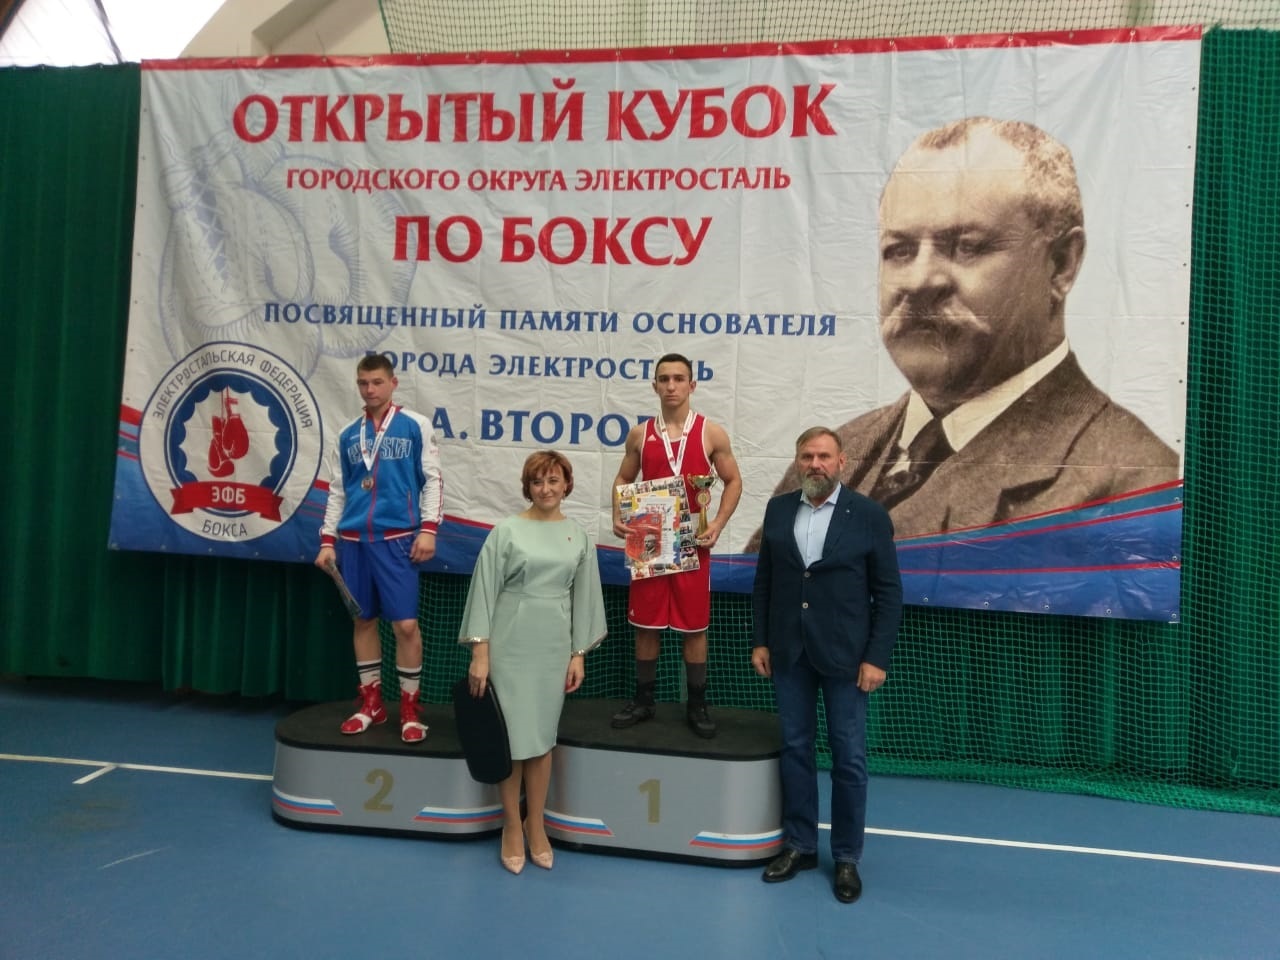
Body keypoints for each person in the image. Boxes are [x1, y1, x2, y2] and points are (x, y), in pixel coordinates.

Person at [750, 116, 1179, 545]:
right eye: (899, 250)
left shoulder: (1132, 481)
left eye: (966, 246)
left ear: (1061, 264)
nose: (919, 281)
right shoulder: (839, 451)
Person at [752, 426, 902, 904]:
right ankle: (799, 845)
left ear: (842, 462)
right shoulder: (778, 510)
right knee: (795, 749)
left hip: (848, 659)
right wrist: (761, 641)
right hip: (789, 652)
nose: (815, 464)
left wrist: (876, 657)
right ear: (797, 461)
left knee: (848, 758)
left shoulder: (870, 515)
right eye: (806, 456)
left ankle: (846, 857)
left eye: (823, 456)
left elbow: (889, 593)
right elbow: (765, 581)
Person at [460, 450, 607, 874]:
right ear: (528, 487)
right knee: (511, 740)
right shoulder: (505, 531)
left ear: (567, 485)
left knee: (541, 741)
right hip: (509, 645)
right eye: (538, 482)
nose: (546, 489)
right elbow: (484, 589)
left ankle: (535, 824)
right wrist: (481, 653)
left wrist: (578, 654)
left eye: (553, 480)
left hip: (552, 648)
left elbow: (586, 598)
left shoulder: (578, 536)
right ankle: (511, 826)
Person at [609, 352, 743, 738]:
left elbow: (734, 480)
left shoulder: (710, 433)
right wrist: (618, 513)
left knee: (694, 626)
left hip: (692, 539)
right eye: (664, 379)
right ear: (654, 386)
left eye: (679, 378)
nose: (671, 386)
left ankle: (697, 704)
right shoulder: (639, 434)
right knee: (646, 624)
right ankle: (643, 700)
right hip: (649, 533)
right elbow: (623, 478)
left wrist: (717, 522)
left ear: (692, 385)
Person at [315, 353, 443, 743]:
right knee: (363, 621)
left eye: (377, 382)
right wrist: (327, 539)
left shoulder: (415, 425)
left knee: (405, 625)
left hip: (397, 540)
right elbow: (338, 490)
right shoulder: (347, 434)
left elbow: (432, 479)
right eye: (363, 383)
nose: (369, 390)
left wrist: (429, 530)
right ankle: (372, 704)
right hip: (354, 542)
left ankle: (410, 710)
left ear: (393, 383)